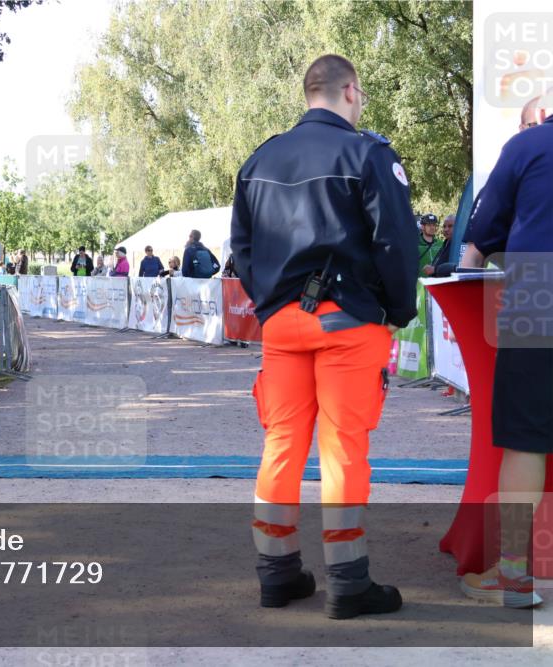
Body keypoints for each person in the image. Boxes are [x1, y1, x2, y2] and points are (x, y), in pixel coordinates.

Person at [230, 54, 418, 619]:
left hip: (282, 326)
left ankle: (277, 573)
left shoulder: (260, 158)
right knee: (343, 450)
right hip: (348, 322)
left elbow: (241, 248)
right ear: (351, 92)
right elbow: (396, 243)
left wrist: (272, 302)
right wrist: (396, 311)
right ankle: (348, 581)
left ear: (308, 92)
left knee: (281, 444)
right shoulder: (368, 153)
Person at [458, 100, 553, 609]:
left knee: (525, 439)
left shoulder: (527, 145)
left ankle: (515, 576)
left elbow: (478, 242)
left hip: (540, 293)